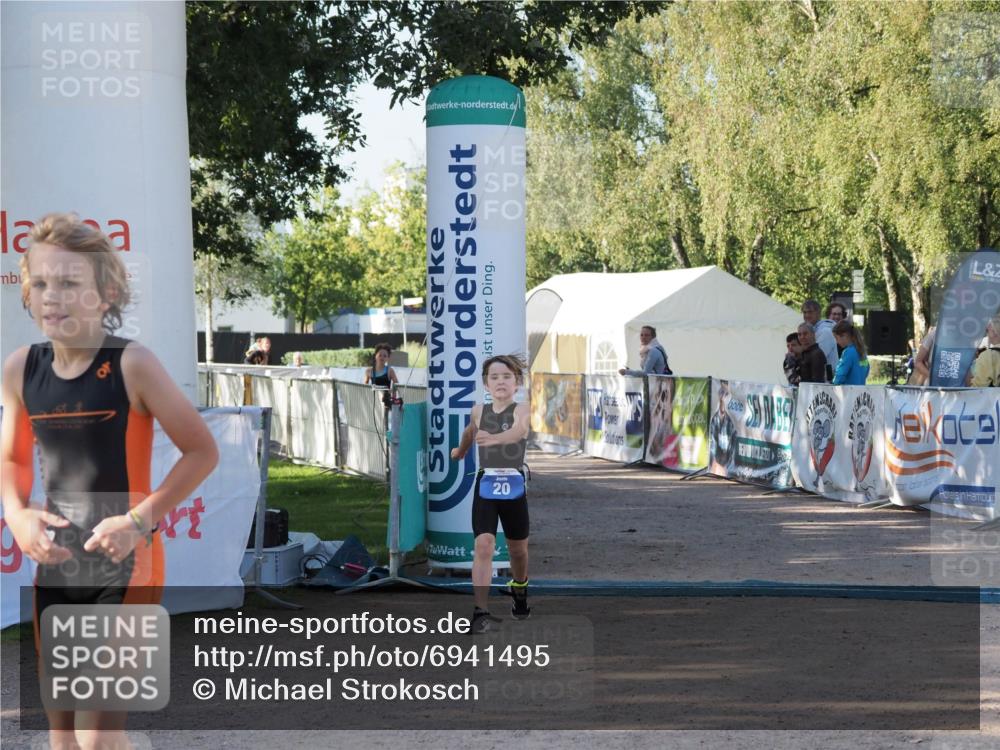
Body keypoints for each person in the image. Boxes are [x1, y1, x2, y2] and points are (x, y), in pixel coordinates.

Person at [1, 213, 219, 750]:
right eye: (42, 283)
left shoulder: (133, 364)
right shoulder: (20, 368)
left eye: (71, 283)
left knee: (95, 737)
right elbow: (11, 462)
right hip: (57, 563)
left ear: (107, 292)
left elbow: (202, 451)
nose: (53, 297)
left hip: (127, 561)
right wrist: (18, 514)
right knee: (61, 736)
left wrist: (137, 520)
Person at [450, 355, 531, 634]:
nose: (500, 381)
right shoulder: (478, 411)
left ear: (517, 383)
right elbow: (471, 432)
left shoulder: (522, 408)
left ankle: (519, 588)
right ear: (486, 384)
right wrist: (460, 451)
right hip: (487, 484)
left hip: (514, 483)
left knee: (517, 550)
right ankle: (480, 611)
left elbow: (519, 432)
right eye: (494, 377)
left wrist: (495, 438)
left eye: (506, 376)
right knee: (483, 544)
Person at [802, 299, 837, 380]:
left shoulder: (825, 332)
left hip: (826, 382)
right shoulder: (813, 330)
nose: (807, 315)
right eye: (804, 312)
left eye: (810, 312)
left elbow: (816, 357)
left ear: (818, 313)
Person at [831, 320, 871, 385]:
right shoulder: (861, 351)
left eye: (836, 338)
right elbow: (866, 370)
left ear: (844, 335)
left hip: (848, 392)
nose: (836, 342)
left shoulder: (848, 352)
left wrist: (834, 383)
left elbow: (841, 374)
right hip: (861, 391)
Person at [969, 314, 1000, 387]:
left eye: (987, 330)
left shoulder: (988, 356)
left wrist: (965, 372)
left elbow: (976, 388)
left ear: (994, 332)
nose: (987, 334)